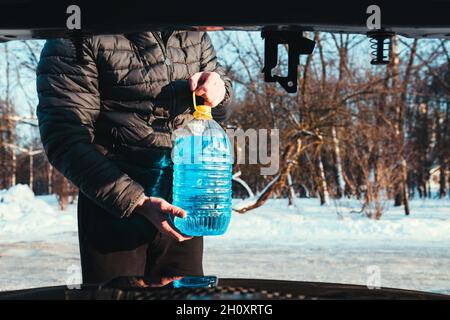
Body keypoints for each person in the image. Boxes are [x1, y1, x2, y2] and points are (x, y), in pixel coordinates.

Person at [36, 30, 232, 283]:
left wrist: (220, 91)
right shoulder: (78, 34)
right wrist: (137, 202)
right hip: (114, 210)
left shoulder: (191, 31)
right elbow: (64, 138)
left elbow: (215, 115)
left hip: (183, 208)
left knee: (187, 301)